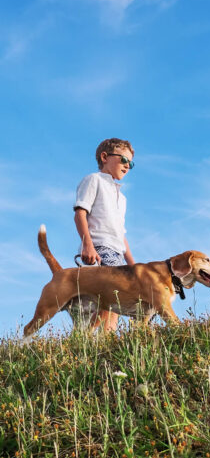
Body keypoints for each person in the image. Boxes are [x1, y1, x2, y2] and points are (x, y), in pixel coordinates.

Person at [73, 138, 135, 331]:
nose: (128, 166)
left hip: (117, 252)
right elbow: (80, 214)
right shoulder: (94, 180)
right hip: (99, 247)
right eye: (124, 160)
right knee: (113, 298)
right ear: (105, 157)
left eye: (131, 163)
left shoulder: (121, 197)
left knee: (114, 302)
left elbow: (120, 234)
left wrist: (133, 265)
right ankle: (92, 339)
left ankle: (98, 340)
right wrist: (87, 245)